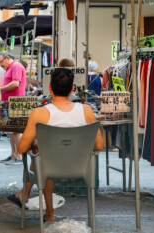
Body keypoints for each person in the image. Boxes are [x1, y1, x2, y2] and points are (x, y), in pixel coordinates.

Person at [8, 68, 103, 222]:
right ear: (72, 89)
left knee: (43, 157)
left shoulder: (39, 113)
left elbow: (21, 149)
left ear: (50, 88)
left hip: (49, 168)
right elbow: (99, 145)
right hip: (81, 167)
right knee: (46, 156)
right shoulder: (87, 111)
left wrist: (34, 143)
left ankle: (49, 214)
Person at [0, 51, 27, 165]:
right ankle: (13, 154)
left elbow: (15, 83)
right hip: (10, 102)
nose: (0, 65)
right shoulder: (10, 67)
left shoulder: (16, 66)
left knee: (17, 130)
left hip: (16, 102)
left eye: (1, 62)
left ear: (7, 58)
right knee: (11, 130)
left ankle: (19, 157)